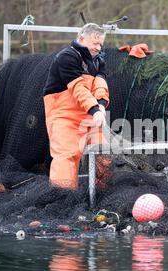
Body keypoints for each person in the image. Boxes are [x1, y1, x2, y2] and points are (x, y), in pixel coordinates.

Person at [43, 23, 110, 189]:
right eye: (95, 43)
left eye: (101, 44)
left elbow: (100, 84)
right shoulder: (67, 56)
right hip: (64, 116)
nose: (98, 47)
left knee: (102, 155)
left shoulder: (99, 61)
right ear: (81, 38)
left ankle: (99, 196)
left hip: (89, 115)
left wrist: (101, 105)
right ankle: (62, 199)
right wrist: (95, 110)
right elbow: (78, 88)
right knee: (67, 156)